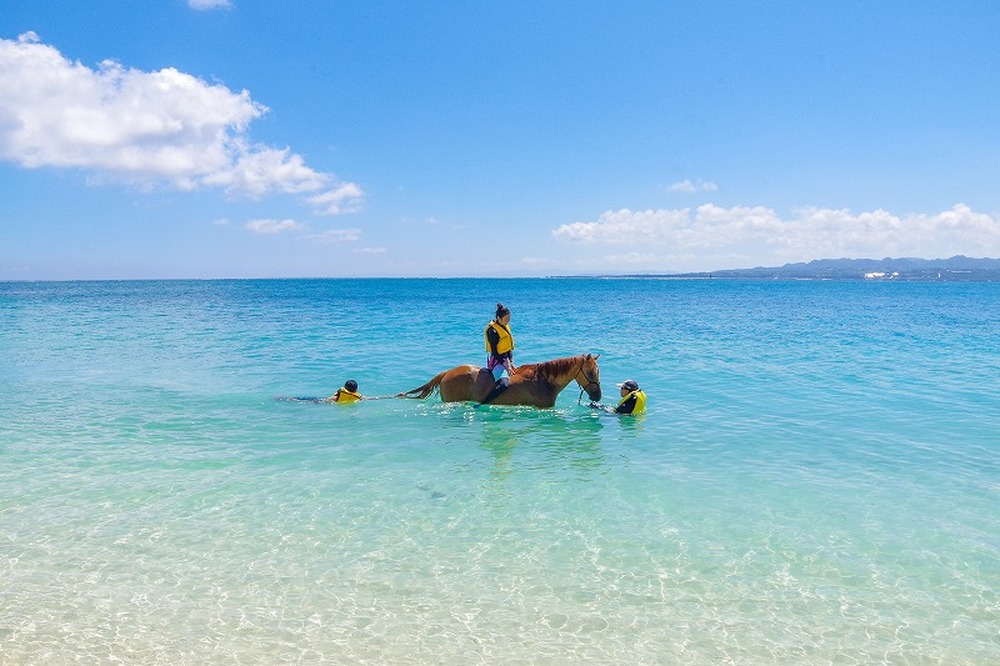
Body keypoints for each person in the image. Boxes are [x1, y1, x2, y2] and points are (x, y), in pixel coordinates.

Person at [481, 302, 516, 404]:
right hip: (497, 361)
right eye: (506, 319)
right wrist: (506, 364)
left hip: (506, 360)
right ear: (498, 318)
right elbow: (495, 352)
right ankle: (483, 403)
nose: (508, 321)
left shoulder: (505, 327)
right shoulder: (493, 331)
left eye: (509, 319)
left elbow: (508, 347)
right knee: (504, 384)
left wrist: (511, 362)